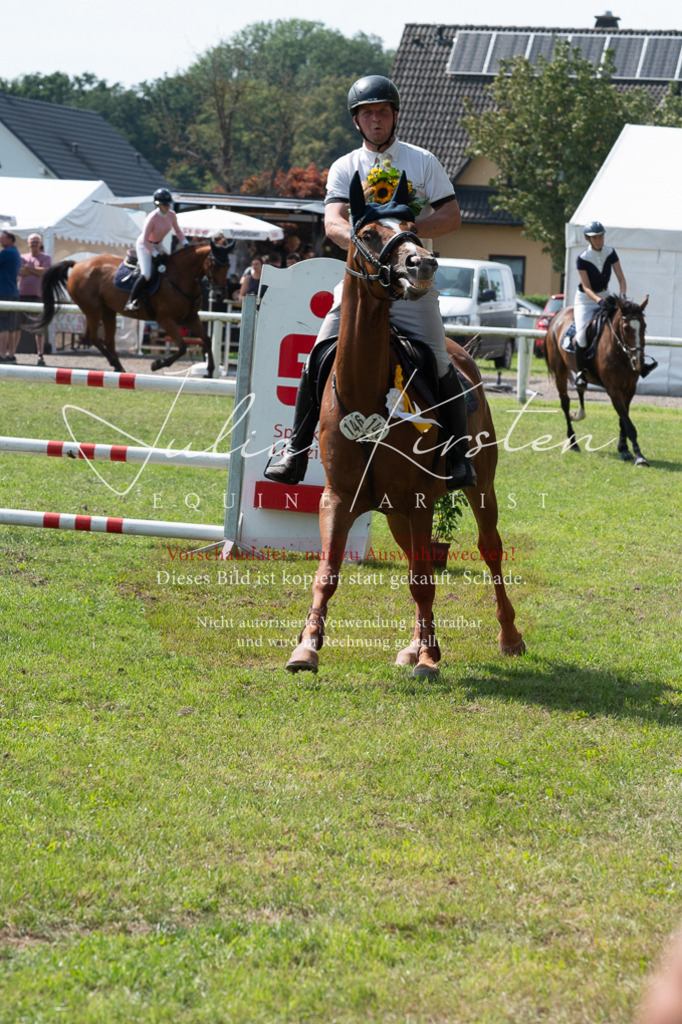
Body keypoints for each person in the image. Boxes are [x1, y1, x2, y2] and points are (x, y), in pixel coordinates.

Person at [264, 74, 475, 489]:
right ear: (357, 121)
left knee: (438, 358)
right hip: (361, 284)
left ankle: (458, 456)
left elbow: (451, 216)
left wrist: (407, 234)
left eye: (382, 111)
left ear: (394, 115)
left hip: (413, 283)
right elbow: (332, 223)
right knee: (318, 356)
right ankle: (295, 451)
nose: (376, 119)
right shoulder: (346, 166)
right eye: (367, 113)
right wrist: (372, 251)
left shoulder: (422, 160)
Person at [573, 220, 627, 387]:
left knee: (622, 326)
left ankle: (637, 364)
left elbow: (621, 279)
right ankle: (581, 374)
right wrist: (599, 301)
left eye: (601, 236)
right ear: (588, 239)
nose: (599, 240)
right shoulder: (582, 258)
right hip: (586, 300)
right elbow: (587, 287)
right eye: (595, 237)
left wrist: (622, 298)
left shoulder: (610, 253)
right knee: (581, 337)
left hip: (605, 296)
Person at [124, 188, 188, 312]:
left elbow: (178, 231)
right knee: (146, 274)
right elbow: (144, 240)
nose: (168, 206)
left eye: (169, 204)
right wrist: (155, 254)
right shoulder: (151, 218)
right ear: (158, 205)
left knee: (172, 265)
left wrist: (185, 243)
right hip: (145, 245)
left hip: (159, 244)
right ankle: (131, 301)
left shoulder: (172, 215)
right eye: (165, 204)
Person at [17, 233, 52, 365]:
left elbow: (45, 271)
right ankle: (12, 353)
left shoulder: (46, 257)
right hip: (21, 295)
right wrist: (35, 270)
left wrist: (29, 269)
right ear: (28, 244)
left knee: (39, 327)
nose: (34, 244)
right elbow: (19, 272)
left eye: (36, 241)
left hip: (38, 296)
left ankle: (40, 354)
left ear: (40, 243)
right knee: (16, 325)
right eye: (32, 241)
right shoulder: (22, 257)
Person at [0, 230, 22, 362]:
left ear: (10, 239)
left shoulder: (6, 253)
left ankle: (2, 354)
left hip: (3, 292)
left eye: (3, 239)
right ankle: (11, 354)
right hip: (13, 292)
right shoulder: (16, 253)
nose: (1, 241)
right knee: (12, 327)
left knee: (3, 326)